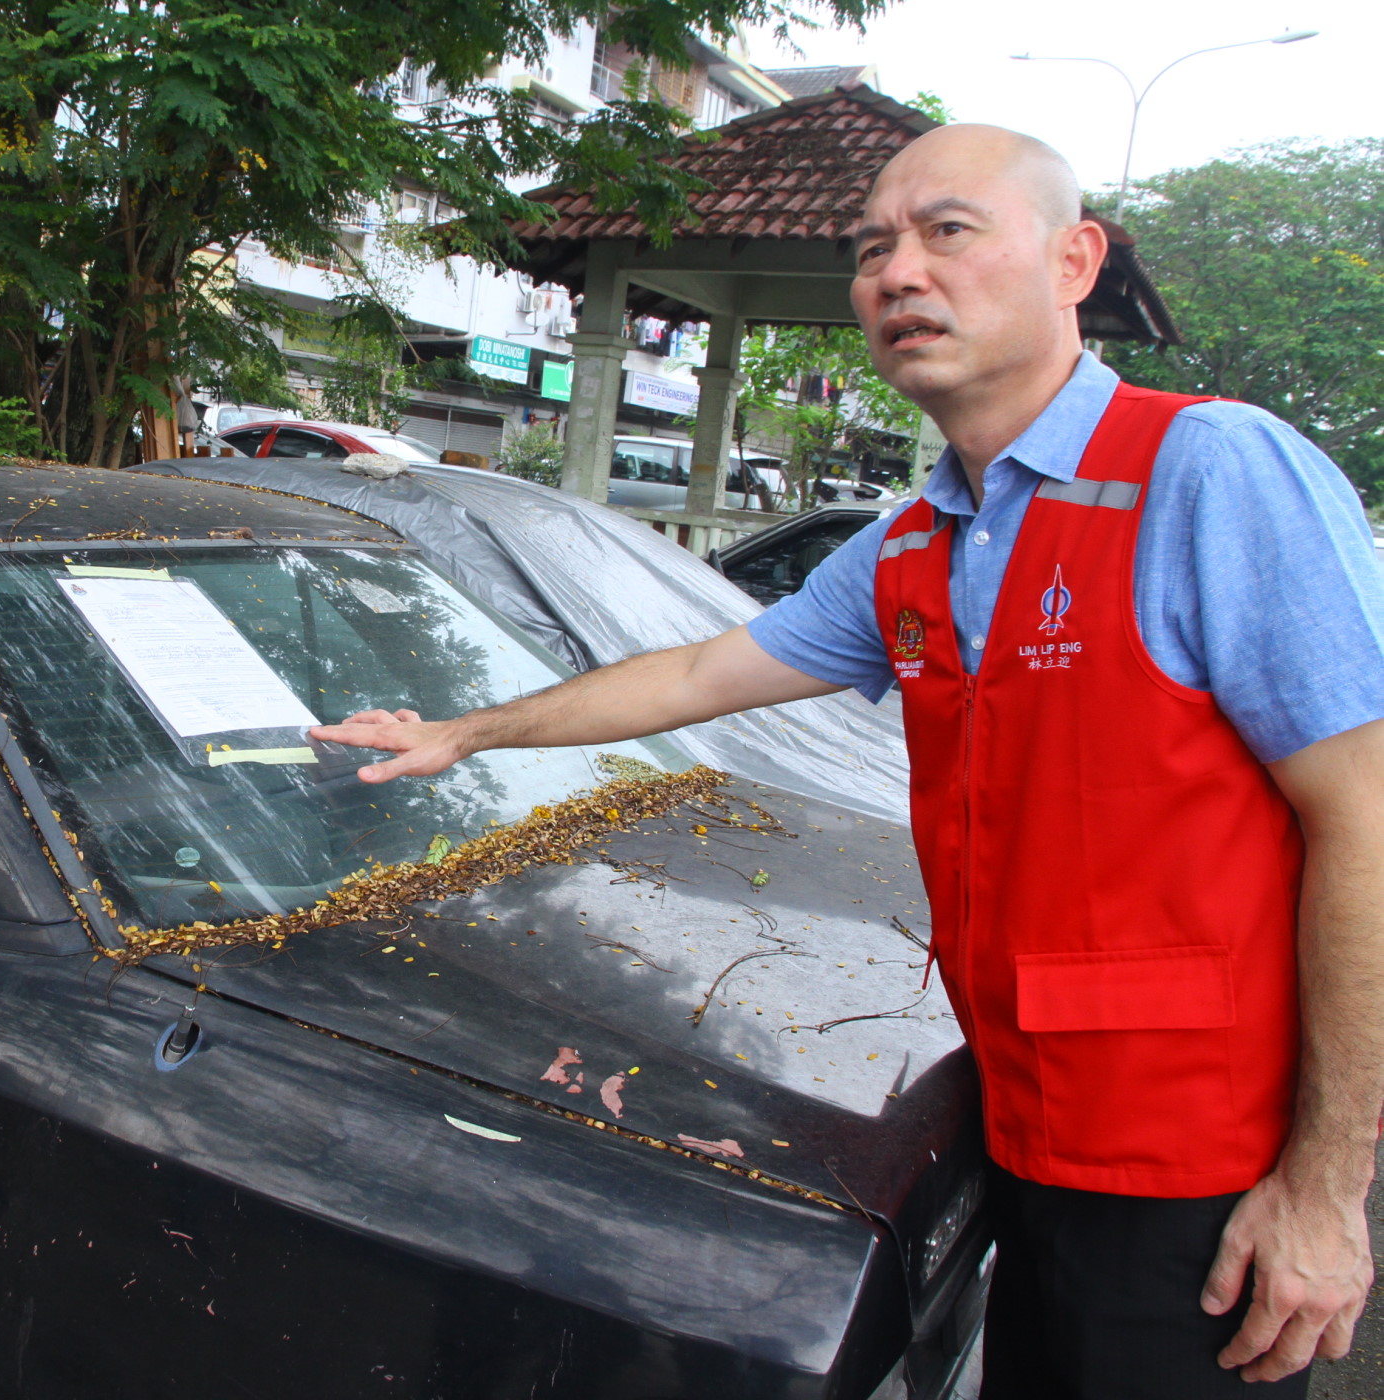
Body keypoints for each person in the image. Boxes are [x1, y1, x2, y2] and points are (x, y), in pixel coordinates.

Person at [310, 124, 1384, 1397]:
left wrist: (1325, 1187)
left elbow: (1364, 819)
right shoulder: (919, 538)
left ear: (1073, 260)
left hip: (1200, 1173)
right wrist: (464, 732)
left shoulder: (1207, 472)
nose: (897, 272)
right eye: (873, 247)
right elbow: (703, 672)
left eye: (948, 231)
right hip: (1019, 1131)